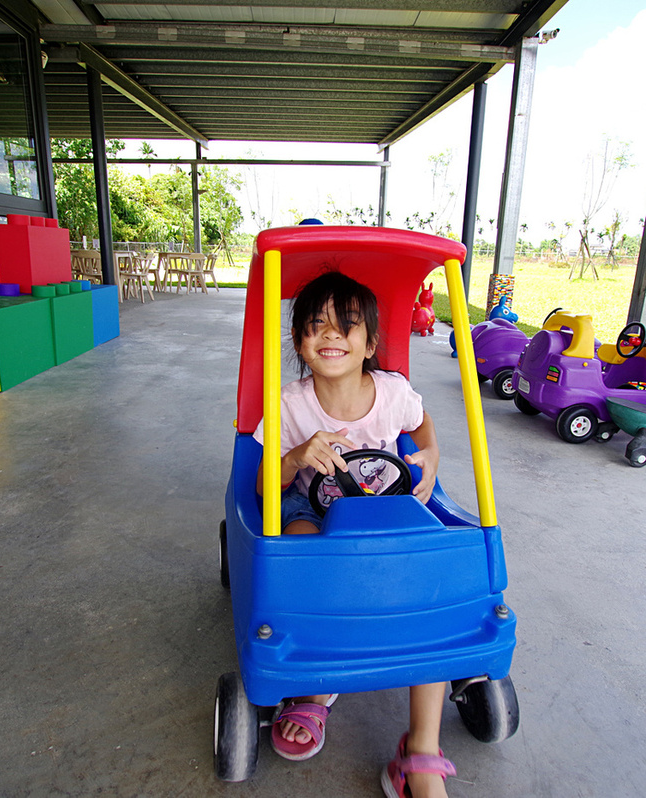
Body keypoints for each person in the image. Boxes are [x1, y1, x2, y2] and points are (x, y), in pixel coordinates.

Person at [252, 271, 456, 798]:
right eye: (316, 325)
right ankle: (314, 689)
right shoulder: (291, 404)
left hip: (385, 505)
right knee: (300, 550)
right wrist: (296, 456)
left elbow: (423, 425)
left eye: (347, 325)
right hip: (312, 506)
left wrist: (429, 455)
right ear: (300, 341)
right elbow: (262, 483)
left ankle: (422, 752)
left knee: (432, 578)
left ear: (369, 344)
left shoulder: (390, 393)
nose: (331, 335)